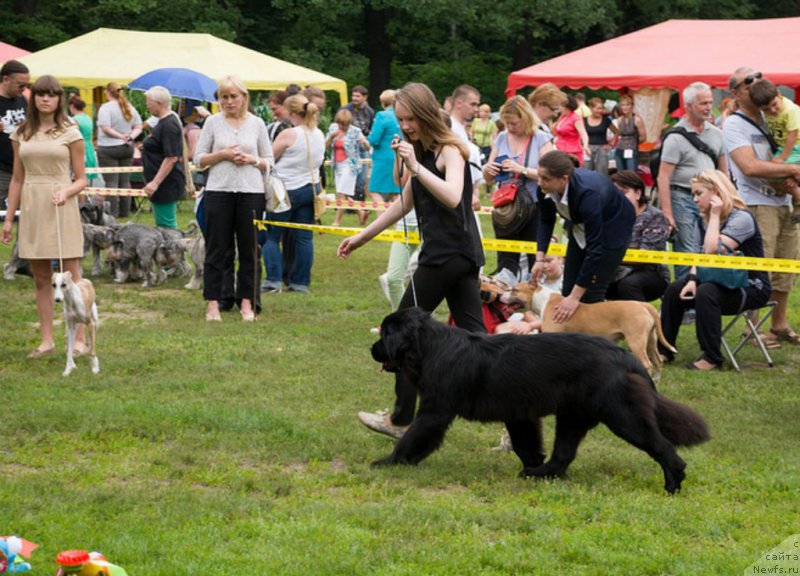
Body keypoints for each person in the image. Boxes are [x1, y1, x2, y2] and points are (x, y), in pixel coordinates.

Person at [338, 82, 486, 438]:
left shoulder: (451, 150)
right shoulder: (422, 151)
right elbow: (404, 202)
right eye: (400, 120)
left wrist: (416, 166)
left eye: (410, 119)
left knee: (402, 334)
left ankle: (401, 420)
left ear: (425, 114)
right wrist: (361, 237)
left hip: (446, 257)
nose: (405, 126)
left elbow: (453, 196)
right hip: (461, 255)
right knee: (479, 342)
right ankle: (517, 412)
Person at [1, 75, 88, 358]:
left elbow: (82, 179)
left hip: (62, 204)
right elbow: (17, 179)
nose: (45, 99)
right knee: (41, 277)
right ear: (33, 98)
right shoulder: (21, 132)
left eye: (51, 94)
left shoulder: (71, 132)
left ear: (59, 98)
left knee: (71, 275)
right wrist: (8, 219)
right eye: (40, 94)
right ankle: (47, 340)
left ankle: (80, 339)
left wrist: (67, 191)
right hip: (33, 206)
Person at [658, 170, 771, 370]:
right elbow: (700, 256)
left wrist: (715, 215)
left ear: (717, 193)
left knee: (706, 292)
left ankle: (712, 357)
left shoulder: (741, 218)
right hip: (716, 280)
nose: (694, 199)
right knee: (675, 289)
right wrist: (692, 279)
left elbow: (712, 250)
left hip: (751, 286)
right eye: (693, 194)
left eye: (698, 193)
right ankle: (664, 349)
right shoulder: (702, 219)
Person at [723, 66, 800, 346]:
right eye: (748, 85)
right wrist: (792, 169)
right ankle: (752, 329)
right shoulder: (734, 124)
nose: (756, 86)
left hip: (785, 201)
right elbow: (749, 166)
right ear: (735, 93)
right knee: (759, 268)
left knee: (786, 266)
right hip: (757, 203)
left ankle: (778, 325)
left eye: (759, 80)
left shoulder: (773, 112)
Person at [193, 76, 272, 322]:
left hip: (252, 192)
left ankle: (247, 302)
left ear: (244, 97)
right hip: (219, 191)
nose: (228, 102)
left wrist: (252, 159)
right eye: (223, 97)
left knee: (250, 249)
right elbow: (198, 159)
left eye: (233, 96)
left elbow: (269, 160)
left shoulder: (257, 123)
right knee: (217, 249)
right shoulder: (212, 122)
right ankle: (213, 303)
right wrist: (223, 155)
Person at [531, 150, 635, 321]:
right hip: (580, 226)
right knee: (567, 289)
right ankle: (573, 336)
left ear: (564, 179)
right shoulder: (543, 188)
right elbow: (546, 220)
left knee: (592, 293)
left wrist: (575, 297)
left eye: (546, 179)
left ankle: (597, 337)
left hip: (613, 229)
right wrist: (539, 259)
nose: (540, 182)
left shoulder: (588, 194)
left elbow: (595, 249)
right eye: (539, 176)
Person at [657, 82, 726, 280]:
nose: (708, 107)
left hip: (711, 198)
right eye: (703, 103)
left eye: (710, 102)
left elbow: (724, 172)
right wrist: (667, 213)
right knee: (687, 251)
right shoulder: (675, 137)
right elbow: (663, 176)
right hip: (682, 197)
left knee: (710, 247)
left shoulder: (717, 133)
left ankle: (703, 293)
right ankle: (685, 296)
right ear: (688, 106)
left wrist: (727, 199)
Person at [482, 95, 554, 285]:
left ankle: (533, 296)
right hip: (506, 207)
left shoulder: (541, 138)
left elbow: (551, 175)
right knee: (505, 261)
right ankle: (504, 298)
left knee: (534, 260)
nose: (510, 127)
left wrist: (521, 169)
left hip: (535, 206)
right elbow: (488, 178)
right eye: (507, 123)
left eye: (514, 123)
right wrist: (488, 169)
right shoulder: (502, 137)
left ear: (526, 119)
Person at [261, 93, 325, 294]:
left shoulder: (289, 134)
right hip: (310, 188)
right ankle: (300, 282)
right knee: (304, 237)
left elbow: (268, 158)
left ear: (290, 112)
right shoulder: (319, 133)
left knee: (271, 236)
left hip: (286, 191)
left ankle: (273, 280)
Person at [605, 170, 670, 302]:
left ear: (638, 193)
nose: (618, 197)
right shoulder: (610, 215)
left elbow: (645, 256)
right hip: (615, 270)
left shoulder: (656, 217)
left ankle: (641, 315)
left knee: (628, 285)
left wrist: (609, 257)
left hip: (650, 272)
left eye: (624, 192)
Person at [748, 78, 800, 220]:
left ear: (779, 94)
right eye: (766, 109)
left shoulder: (790, 110)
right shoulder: (767, 110)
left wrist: (782, 158)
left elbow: (792, 135)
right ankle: (795, 191)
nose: (772, 110)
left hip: (796, 146)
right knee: (771, 175)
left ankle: (797, 196)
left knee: (775, 169)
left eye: (774, 105)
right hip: (785, 147)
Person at [96, 82, 143, 218]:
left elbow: (105, 128)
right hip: (127, 148)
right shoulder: (129, 107)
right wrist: (130, 137)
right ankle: (125, 212)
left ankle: (112, 214)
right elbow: (139, 126)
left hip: (108, 148)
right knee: (124, 181)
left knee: (111, 182)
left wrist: (120, 136)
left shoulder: (105, 108)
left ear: (107, 92)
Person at [140, 86, 185, 229]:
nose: (147, 106)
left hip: (166, 183)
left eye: (149, 102)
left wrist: (155, 183)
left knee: (166, 225)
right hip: (161, 181)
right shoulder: (163, 122)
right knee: (162, 224)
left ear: (158, 103)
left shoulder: (169, 124)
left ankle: (174, 244)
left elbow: (171, 158)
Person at [325, 108, 371, 226]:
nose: (344, 127)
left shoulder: (355, 131)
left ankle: (337, 221)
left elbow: (368, 147)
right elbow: (325, 146)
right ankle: (361, 212)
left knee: (341, 194)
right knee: (344, 194)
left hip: (350, 166)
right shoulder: (333, 128)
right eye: (341, 124)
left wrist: (364, 141)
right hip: (337, 166)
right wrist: (331, 137)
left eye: (346, 124)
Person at [0, 60, 30, 210]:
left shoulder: (23, 100)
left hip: (23, 168)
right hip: (2, 171)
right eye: (20, 84)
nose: (24, 89)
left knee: (23, 215)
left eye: (26, 85)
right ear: (6, 79)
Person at [368, 89, 402, 200]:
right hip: (398, 157)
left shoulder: (382, 116)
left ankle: (383, 212)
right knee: (395, 192)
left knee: (374, 191)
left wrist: (368, 137)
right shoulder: (400, 116)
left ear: (383, 103)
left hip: (383, 158)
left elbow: (374, 139)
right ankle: (400, 212)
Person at [68, 94, 99, 189]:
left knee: (77, 179)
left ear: (72, 106)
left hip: (79, 148)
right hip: (89, 148)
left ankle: (81, 199)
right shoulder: (88, 118)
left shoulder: (74, 120)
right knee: (85, 179)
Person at [583, 97, 617, 176]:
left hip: (601, 149)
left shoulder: (606, 120)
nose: (600, 111)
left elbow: (616, 132)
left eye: (601, 108)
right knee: (586, 172)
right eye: (597, 108)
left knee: (602, 172)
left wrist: (611, 144)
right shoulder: (584, 120)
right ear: (591, 108)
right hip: (588, 149)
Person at [553, 94, 590, 166]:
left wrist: (585, 146)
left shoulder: (576, 118)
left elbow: (583, 133)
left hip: (572, 152)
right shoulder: (562, 117)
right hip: (560, 150)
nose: (559, 108)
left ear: (568, 106)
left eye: (561, 106)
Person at [614, 94, 647, 171]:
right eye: (623, 105)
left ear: (632, 106)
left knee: (631, 174)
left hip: (632, 148)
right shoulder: (619, 120)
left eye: (627, 105)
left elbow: (643, 137)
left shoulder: (637, 119)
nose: (625, 107)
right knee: (620, 174)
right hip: (619, 149)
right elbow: (614, 134)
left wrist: (634, 143)